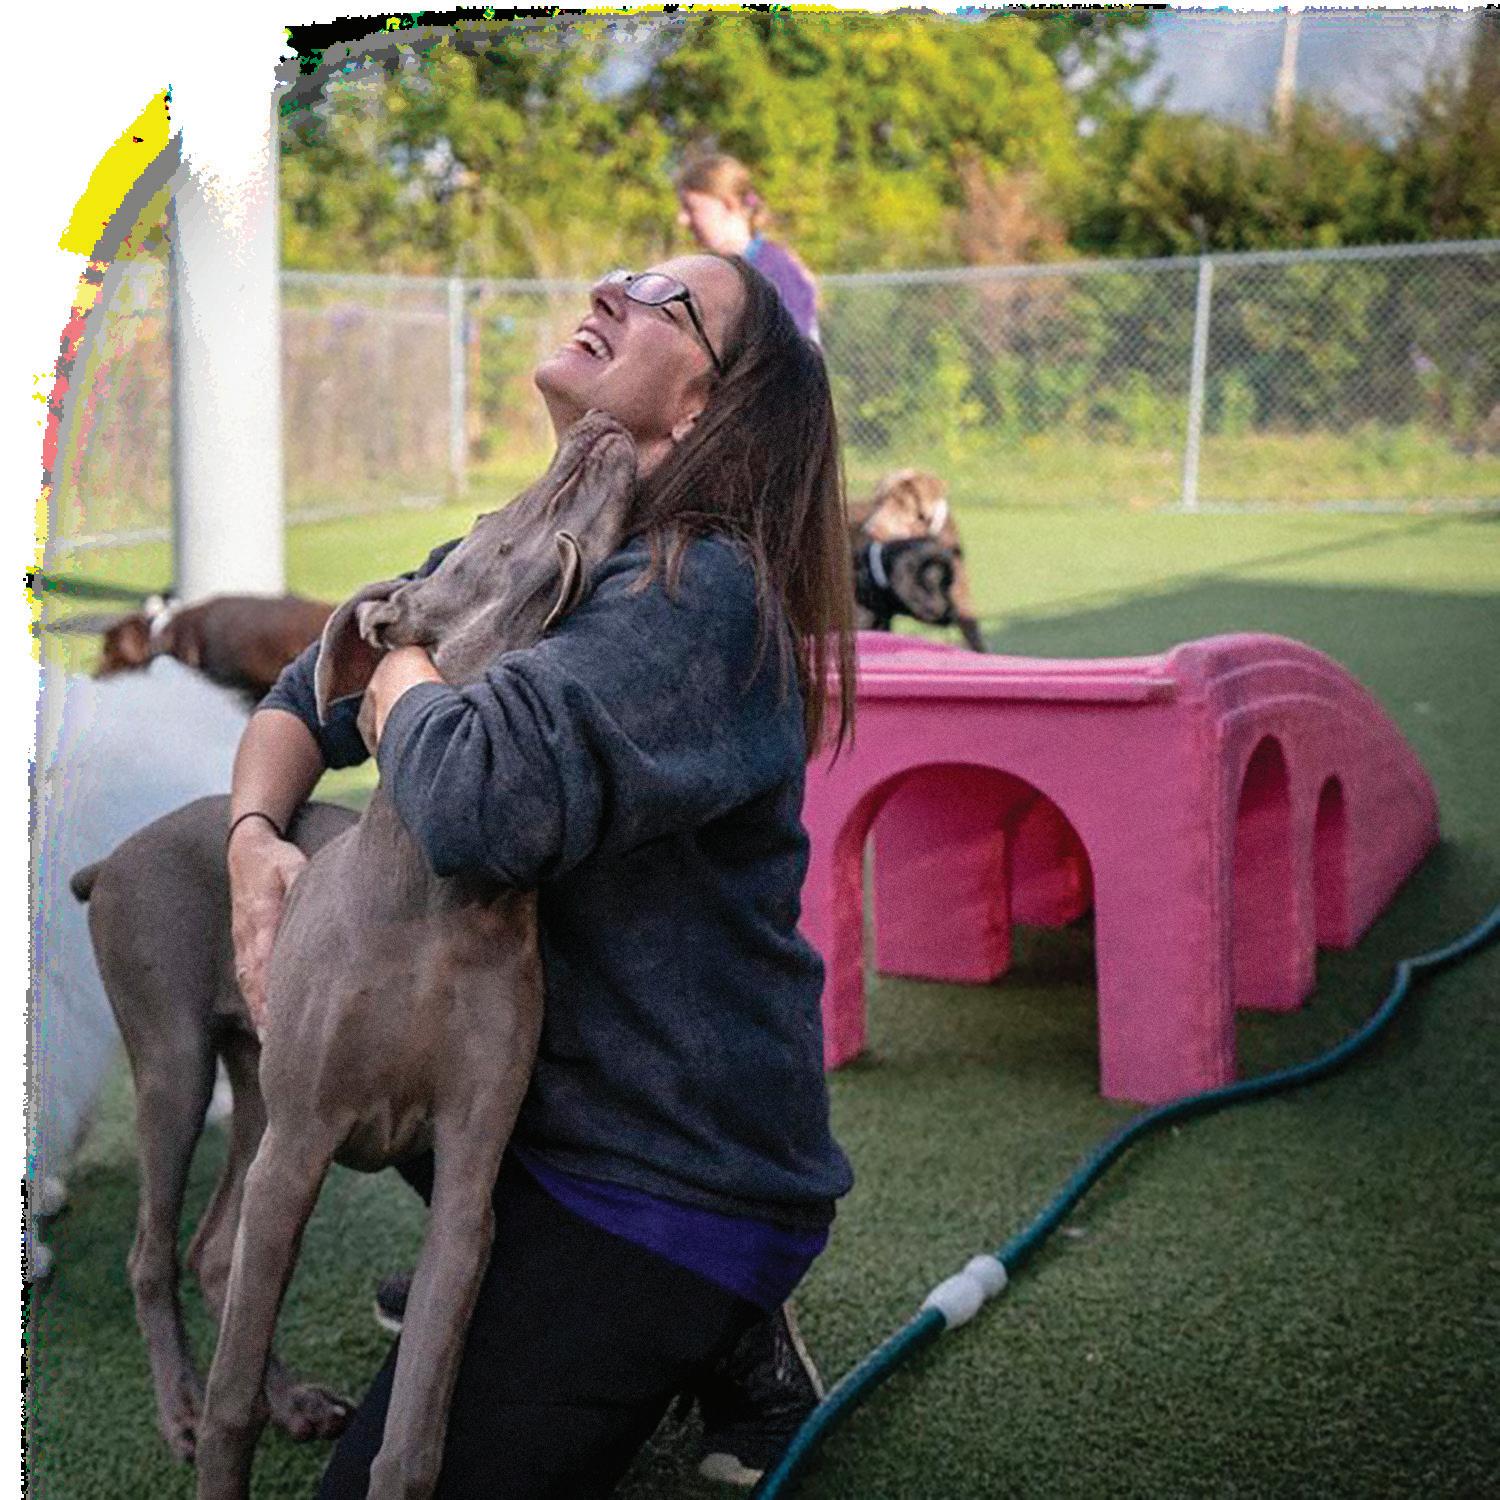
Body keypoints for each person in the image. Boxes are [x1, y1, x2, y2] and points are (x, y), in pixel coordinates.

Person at [227, 253, 857, 1496]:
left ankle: (726, 1325)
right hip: (525, 1114)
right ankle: (541, 1287)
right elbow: (300, 701)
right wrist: (253, 838)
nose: (613, 292)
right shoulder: (514, 542)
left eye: (664, 299)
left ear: (704, 409)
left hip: (660, 1169)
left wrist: (401, 662)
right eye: (624, 272)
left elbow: (475, 801)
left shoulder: (702, 595)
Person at [676, 153, 821, 345]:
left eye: (691, 208)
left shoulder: (775, 272)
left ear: (728, 204)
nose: (682, 220)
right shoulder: (717, 273)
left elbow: (793, 355)